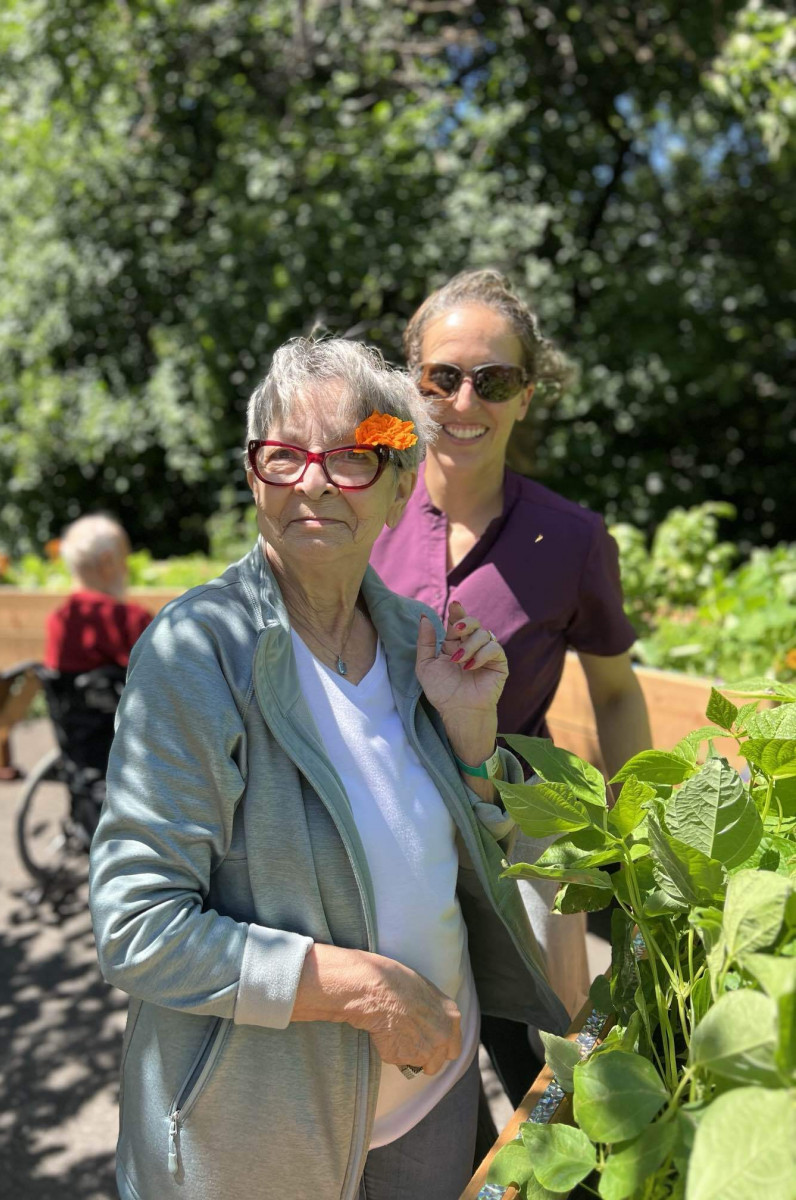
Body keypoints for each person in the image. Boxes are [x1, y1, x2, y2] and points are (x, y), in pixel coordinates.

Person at [88, 338, 566, 1200]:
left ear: (397, 489)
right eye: (285, 455)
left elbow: (474, 860)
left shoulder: (417, 642)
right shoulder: (200, 654)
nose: (312, 481)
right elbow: (137, 926)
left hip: (432, 1103)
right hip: (261, 1141)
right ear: (254, 478)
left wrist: (470, 742)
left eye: (351, 457)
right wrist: (363, 991)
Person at [369, 268, 651, 1101]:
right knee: (408, 1081)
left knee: (542, 1067)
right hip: (385, 835)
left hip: (516, 841)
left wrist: (624, 834)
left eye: (493, 381)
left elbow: (617, 692)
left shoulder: (572, 539)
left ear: (525, 397)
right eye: (443, 377)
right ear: (411, 384)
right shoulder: (362, 510)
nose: (465, 402)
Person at [43, 514, 152, 673]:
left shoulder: (58, 620)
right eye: (124, 559)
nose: (127, 569)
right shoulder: (131, 619)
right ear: (106, 563)